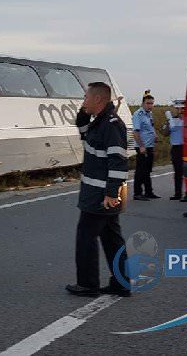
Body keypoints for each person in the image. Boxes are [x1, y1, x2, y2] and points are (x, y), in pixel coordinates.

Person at [65, 82, 130, 297]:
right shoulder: (99, 123)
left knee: (86, 238)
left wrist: (111, 194)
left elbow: (119, 162)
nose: (83, 102)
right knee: (112, 240)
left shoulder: (111, 125)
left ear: (99, 100)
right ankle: (121, 284)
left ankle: (88, 284)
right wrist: (83, 111)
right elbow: (82, 128)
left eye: (86, 98)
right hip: (99, 194)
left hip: (100, 196)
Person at [131, 91, 159, 201]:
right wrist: (141, 146)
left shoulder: (149, 114)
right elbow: (136, 132)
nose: (150, 106)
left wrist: (155, 135)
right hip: (142, 146)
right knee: (140, 170)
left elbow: (151, 127)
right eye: (148, 103)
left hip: (150, 145)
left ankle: (149, 191)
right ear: (143, 103)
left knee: (148, 170)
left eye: (152, 103)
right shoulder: (138, 114)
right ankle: (137, 193)